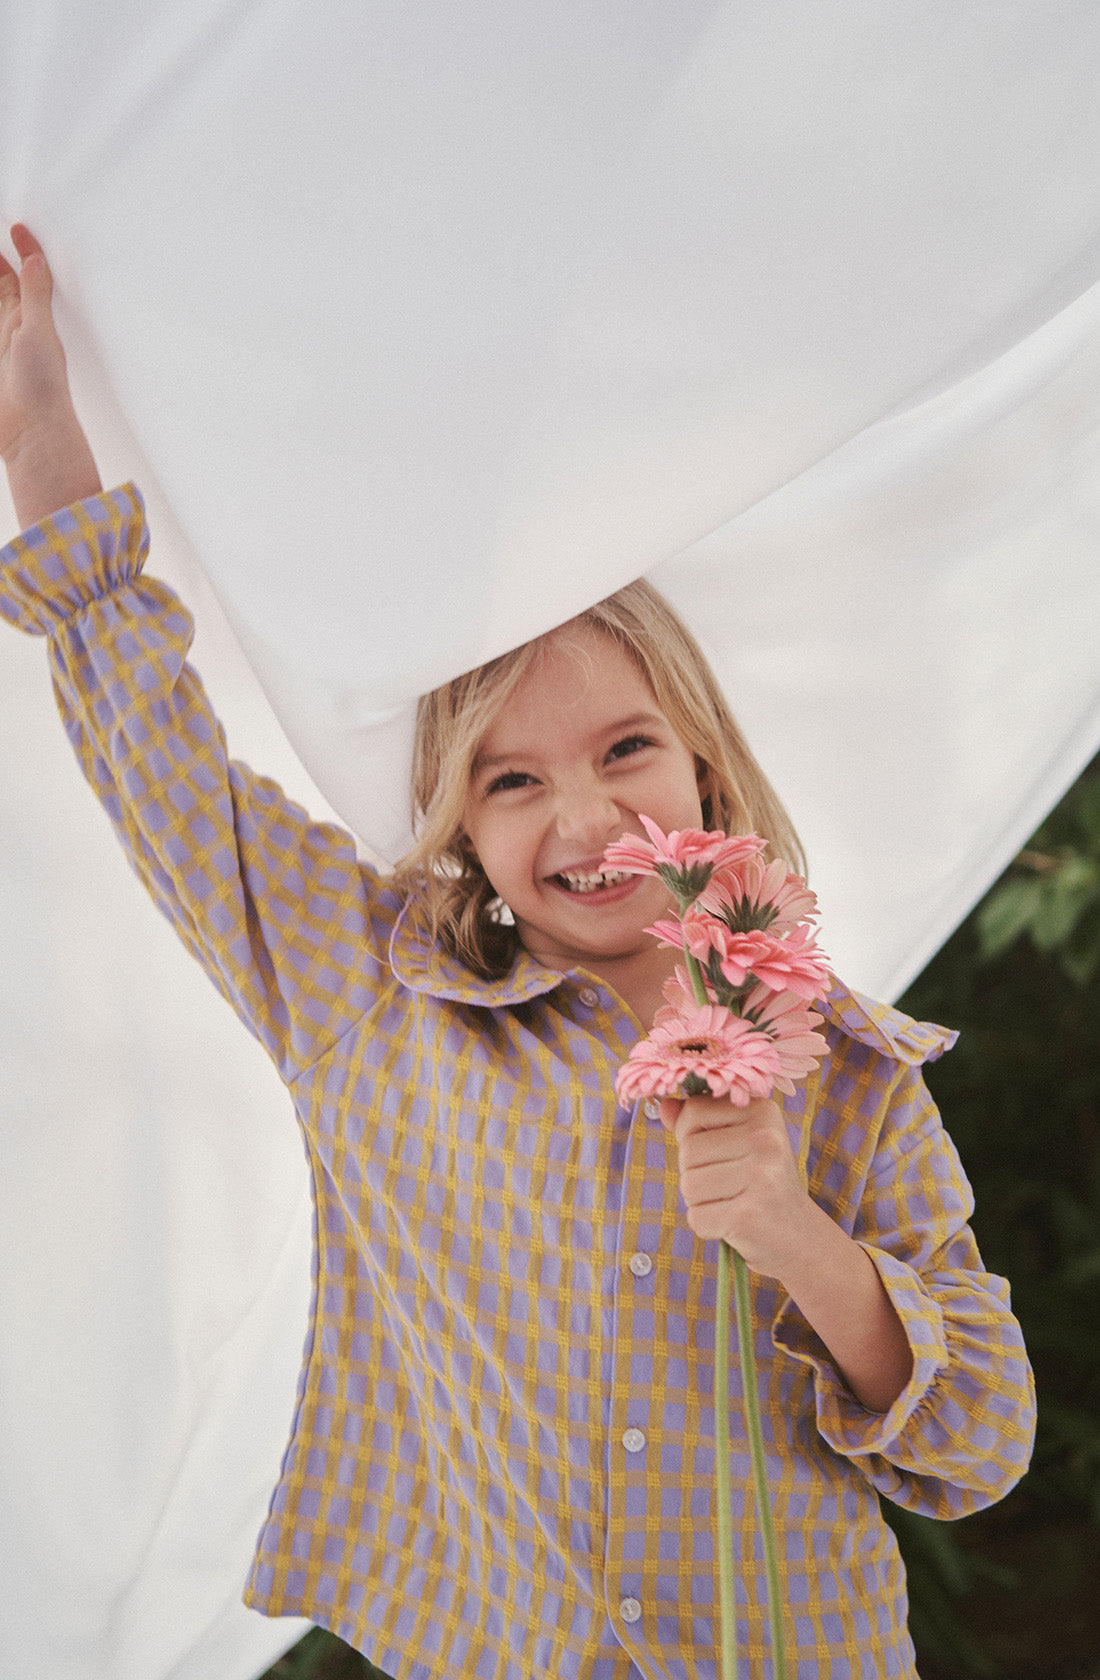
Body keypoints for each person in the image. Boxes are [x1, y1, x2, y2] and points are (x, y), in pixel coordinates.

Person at [0, 225, 1035, 1680]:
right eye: (512, 781)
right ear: (461, 836)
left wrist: (794, 1236)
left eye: (626, 750)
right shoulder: (372, 1005)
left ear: (709, 777)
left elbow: (980, 1442)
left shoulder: (850, 1076)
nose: (588, 814)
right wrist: (42, 443)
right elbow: (171, 781)